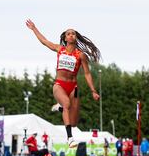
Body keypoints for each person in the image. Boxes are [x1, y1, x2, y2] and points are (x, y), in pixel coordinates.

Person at [26, 19, 101, 148]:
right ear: (65, 38)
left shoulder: (81, 55)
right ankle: (70, 138)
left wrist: (93, 90)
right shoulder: (59, 49)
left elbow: (87, 73)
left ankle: (59, 107)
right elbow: (44, 41)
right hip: (59, 85)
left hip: (73, 87)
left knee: (73, 119)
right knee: (66, 104)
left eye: (73, 33)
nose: (71, 35)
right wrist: (34, 29)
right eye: (69, 34)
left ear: (76, 37)